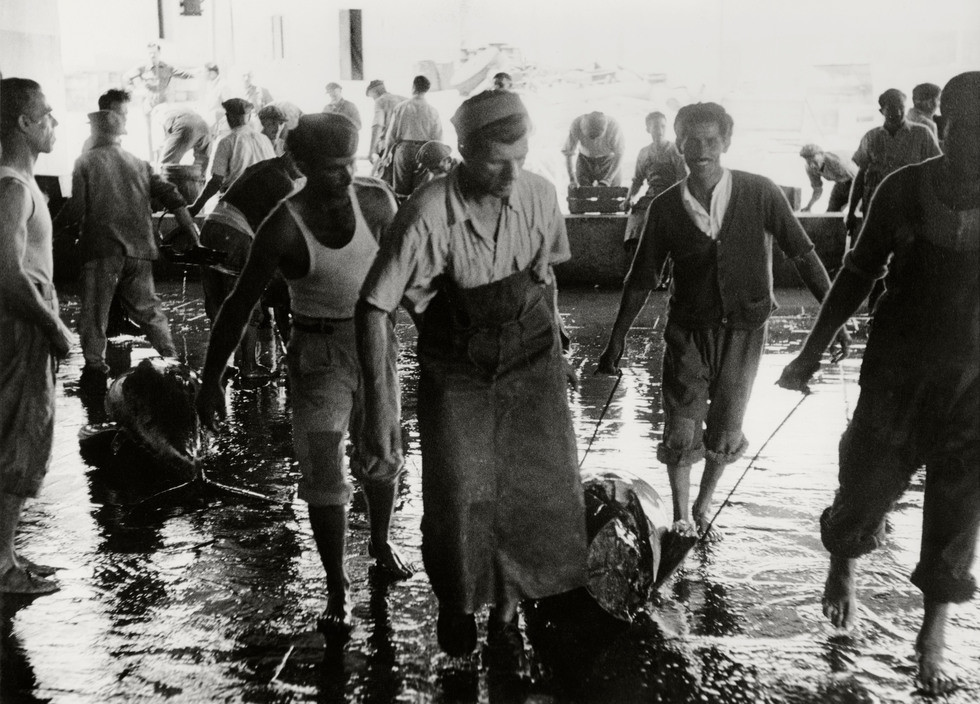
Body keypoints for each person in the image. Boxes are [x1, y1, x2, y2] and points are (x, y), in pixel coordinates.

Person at [357, 90, 588, 662]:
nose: (511, 174)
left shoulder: (540, 194)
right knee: (459, 491)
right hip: (457, 361)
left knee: (534, 490)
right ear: (462, 150)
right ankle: (458, 602)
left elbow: (546, 278)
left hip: (532, 355)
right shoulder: (426, 212)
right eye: (495, 162)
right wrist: (381, 412)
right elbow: (373, 308)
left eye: (520, 158)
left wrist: (559, 346)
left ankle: (507, 613)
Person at [776, 71, 979, 697]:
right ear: (941, 125)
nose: (972, 142)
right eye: (963, 128)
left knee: (960, 498)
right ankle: (844, 561)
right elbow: (859, 270)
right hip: (899, 364)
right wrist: (809, 352)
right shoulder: (903, 187)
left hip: (974, 375)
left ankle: (933, 629)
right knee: (867, 478)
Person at [195, 113, 412, 635]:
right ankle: (337, 585)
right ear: (300, 164)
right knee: (322, 471)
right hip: (316, 351)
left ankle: (380, 540)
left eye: (350, 163)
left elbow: (413, 271)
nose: (345, 176)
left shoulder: (377, 201)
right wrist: (211, 379)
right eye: (331, 167)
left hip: (375, 342)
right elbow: (238, 303)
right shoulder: (283, 225)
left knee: (382, 452)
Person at [596, 102, 849, 540]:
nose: (701, 150)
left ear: (726, 142)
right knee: (681, 422)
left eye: (711, 140)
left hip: (746, 328)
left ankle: (703, 504)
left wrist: (834, 319)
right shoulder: (665, 207)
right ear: (678, 145)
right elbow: (641, 279)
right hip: (688, 329)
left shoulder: (760, 191)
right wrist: (616, 339)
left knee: (728, 425)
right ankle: (682, 516)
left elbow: (804, 255)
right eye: (691, 141)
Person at [55, 109, 201, 390]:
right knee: (149, 311)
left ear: (94, 131)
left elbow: (76, 208)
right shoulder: (139, 163)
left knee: (95, 315)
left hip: (102, 250)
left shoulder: (86, 161)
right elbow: (172, 197)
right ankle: (172, 360)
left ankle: (95, 370)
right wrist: (194, 236)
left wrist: (52, 228)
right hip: (140, 250)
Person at [0, 78, 76, 595]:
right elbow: (8, 275)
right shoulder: (12, 187)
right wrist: (54, 328)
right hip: (21, 324)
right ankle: (2, 568)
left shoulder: (22, 184)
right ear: (24, 123)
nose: (54, 122)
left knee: (17, 432)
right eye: (46, 114)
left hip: (25, 319)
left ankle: (5, 551)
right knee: (20, 438)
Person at [198, 148, 306, 378]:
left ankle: (219, 365)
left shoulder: (262, 167)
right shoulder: (283, 182)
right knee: (248, 304)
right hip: (234, 235)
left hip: (210, 228)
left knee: (217, 302)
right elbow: (294, 230)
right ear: (291, 155)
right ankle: (249, 366)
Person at [846, 88, 941, 241]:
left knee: (908, 250)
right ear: (881, 111)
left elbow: (937, 169)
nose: (897, 112)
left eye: (900, 107)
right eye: (890, 108)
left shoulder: (922, 134)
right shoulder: (870, 137)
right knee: (876, 250)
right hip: (876, 209)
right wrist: (851, 212)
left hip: (910, 208)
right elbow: (860, 176)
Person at [189, 98, 275, 215]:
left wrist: (196, 207)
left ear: (228, 117)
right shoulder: (264, 139)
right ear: (249, 117)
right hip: (265, 200)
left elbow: (216, 181)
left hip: (239, 201)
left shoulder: (227, 141)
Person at [623, 111, 687, 254]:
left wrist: (677, 202)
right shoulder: (644, 153)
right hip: (651, 196)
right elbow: (637, 180)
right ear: (648, 129)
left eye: (663, 126)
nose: (660, 130)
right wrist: (629, 199)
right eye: (656, 126)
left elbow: (682, 179)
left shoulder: (675, 151)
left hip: (672, 195)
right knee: (637, 215)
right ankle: (637, 255)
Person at [384, 75, 442, 200]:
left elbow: (391, 135)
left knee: (400, 192)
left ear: (413, 87)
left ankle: (401, 210)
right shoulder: (433, 111)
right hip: (425, 151)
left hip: (403, 150)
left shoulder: (401, 107)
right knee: (419, 192)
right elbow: (438, 139)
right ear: (427, 89)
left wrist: (386, 154)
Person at [124, 42, 195, 113]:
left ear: (159, 53)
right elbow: (126, 77)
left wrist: (197, 73)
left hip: (163, 103)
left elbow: (185, 74)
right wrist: (133, 89)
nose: (152, 55)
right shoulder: (142, 68)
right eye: (150, 53)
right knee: (149, 118)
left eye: (154, 53)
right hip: (149, 104)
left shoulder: (167, 67)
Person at [563, 110, 626, 188]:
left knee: (613, 190)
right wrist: (572, 179)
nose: (594, 140)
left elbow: (619, 153)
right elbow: (568, 152)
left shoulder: (614, 126)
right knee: (582, 191)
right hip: (584, 161)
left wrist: (608, 179)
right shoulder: (576, 124)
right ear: (582, 128)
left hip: (608, 161)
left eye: (596, 136)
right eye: (590, 137)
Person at [798, 144, 857, 213]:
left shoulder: (837, 161)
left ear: (822, 155)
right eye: (808, 161)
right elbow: (817, 190)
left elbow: (859, 180)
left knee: (859, 211)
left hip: (861, 179)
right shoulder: (810, 168)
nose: (812, 165)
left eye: (814, 161)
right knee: (831, 214)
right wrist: (808, 207)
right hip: (842, 183)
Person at [364, 79, 405, 172]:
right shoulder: (404, 99)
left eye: (372, 96)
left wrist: (371, 150)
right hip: (406, 147)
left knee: (386, 178)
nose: (373, 99)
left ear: (375, 91)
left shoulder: (380, 101)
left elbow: (378, 125)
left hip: (389, 149)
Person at [158, 105, 211, 173]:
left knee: (166, 166)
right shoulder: (175, 108)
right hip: (204, 126)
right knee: (200, 167)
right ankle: (199, 179)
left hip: (185, 125)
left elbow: (160, 147)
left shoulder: (158, 115)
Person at [81, 89, 131, 153]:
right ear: (105, 115)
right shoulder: (96, 148)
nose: (125, 118)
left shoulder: (115, 142)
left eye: (125, 113)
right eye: (120, 114)